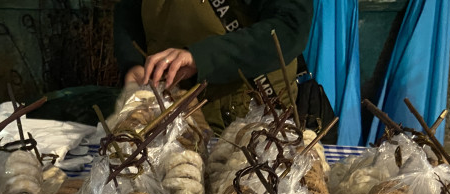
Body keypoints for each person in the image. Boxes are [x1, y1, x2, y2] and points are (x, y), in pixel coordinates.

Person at [114, 0, 314, 133]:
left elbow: (289, 28)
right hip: (168, 108)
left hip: (248, 117)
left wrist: (199, 58)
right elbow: (128, 12)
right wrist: (133, 62)